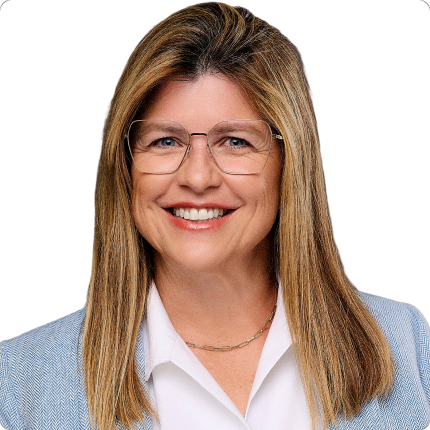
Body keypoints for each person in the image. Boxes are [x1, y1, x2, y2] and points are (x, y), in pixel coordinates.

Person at [0, 3, 429, 430]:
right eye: (165, 141)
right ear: (126, 166)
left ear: (290, 163)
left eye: (236, 141)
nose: (198, 177)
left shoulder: (407, 345)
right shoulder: (17, 387)